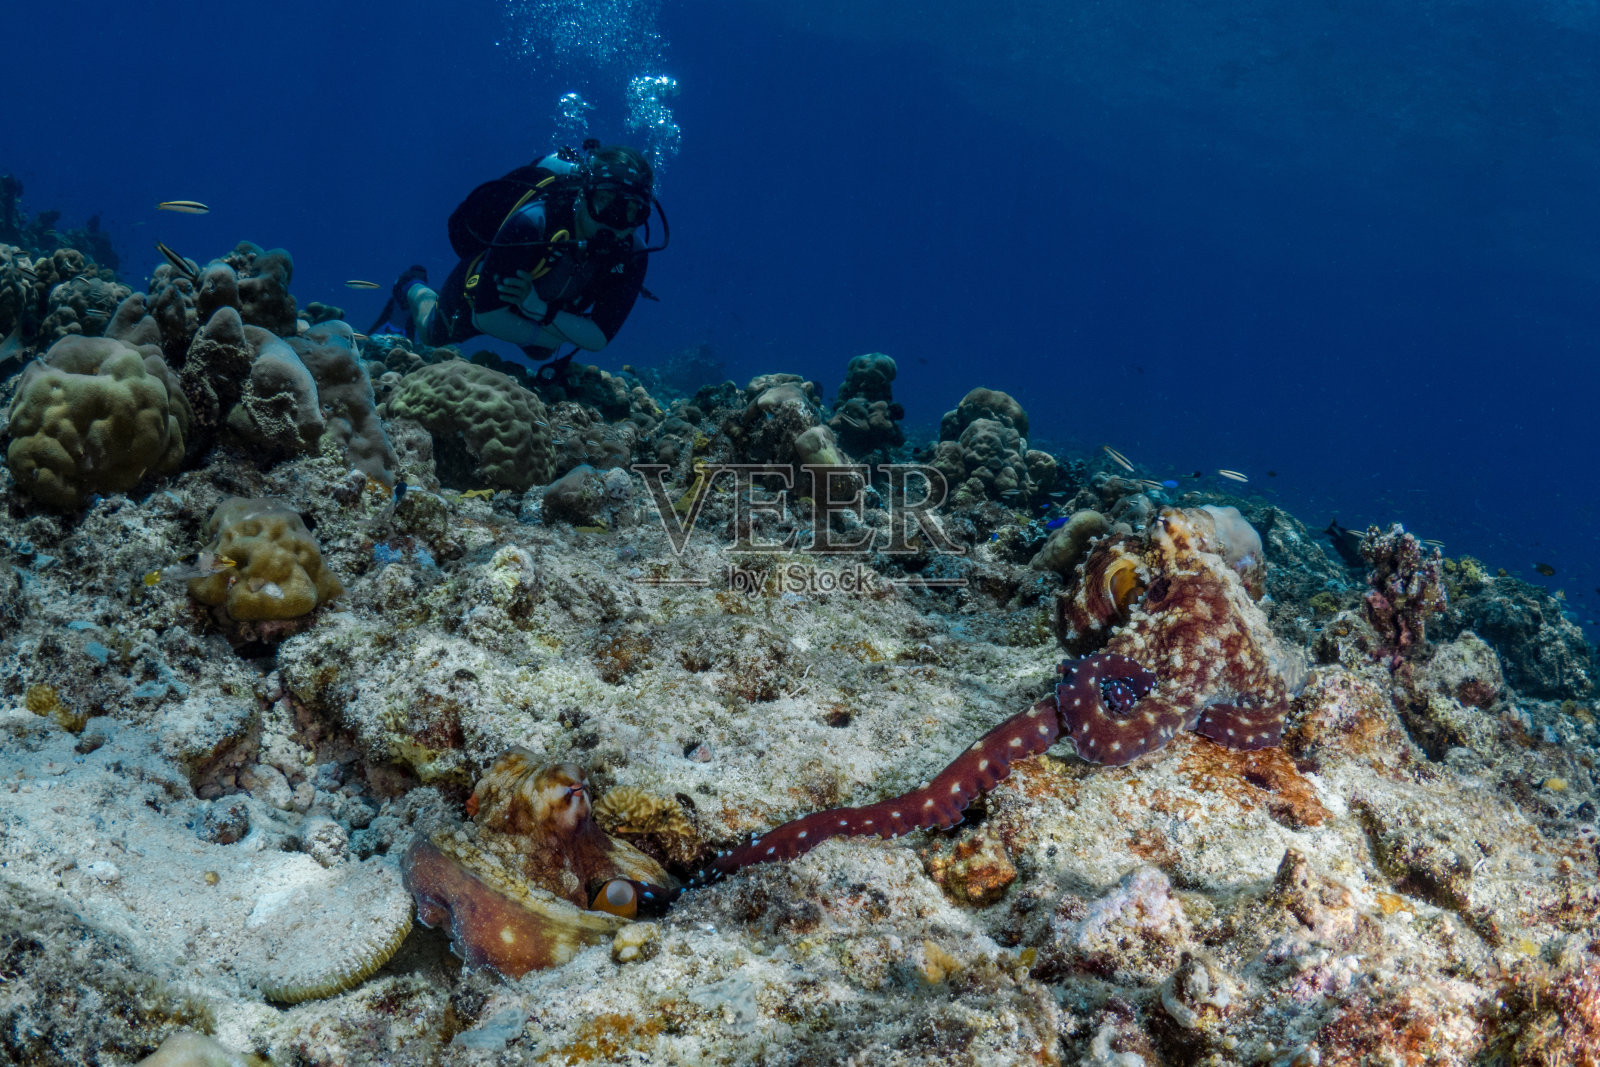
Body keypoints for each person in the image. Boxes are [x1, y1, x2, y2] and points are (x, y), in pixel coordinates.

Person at [374, 142, 662, 382]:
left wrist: (537, 308)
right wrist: (550, 329)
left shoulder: (633, 253)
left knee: (540, 352)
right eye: (605, 202)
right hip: (490, 291)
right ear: (585, 194)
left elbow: (599, 337)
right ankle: (411, 284)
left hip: (540, 307)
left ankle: (537, 330)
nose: (616, 224)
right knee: (433, 332)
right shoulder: (533, 222)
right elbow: (485, 316)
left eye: (633, 212)